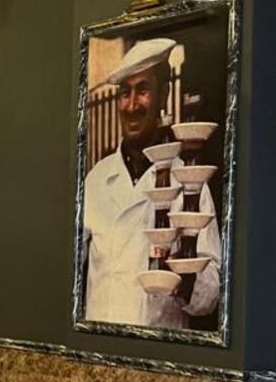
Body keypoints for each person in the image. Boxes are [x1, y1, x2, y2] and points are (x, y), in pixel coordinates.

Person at [82, 35, 220, 330]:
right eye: (125, 93)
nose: (131, 105)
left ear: (164, 94)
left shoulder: (190, 183)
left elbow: (210, 294)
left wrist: (183, 278)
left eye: (143, 90)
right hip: (99, 345)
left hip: (156, 349)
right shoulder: (96, 180)